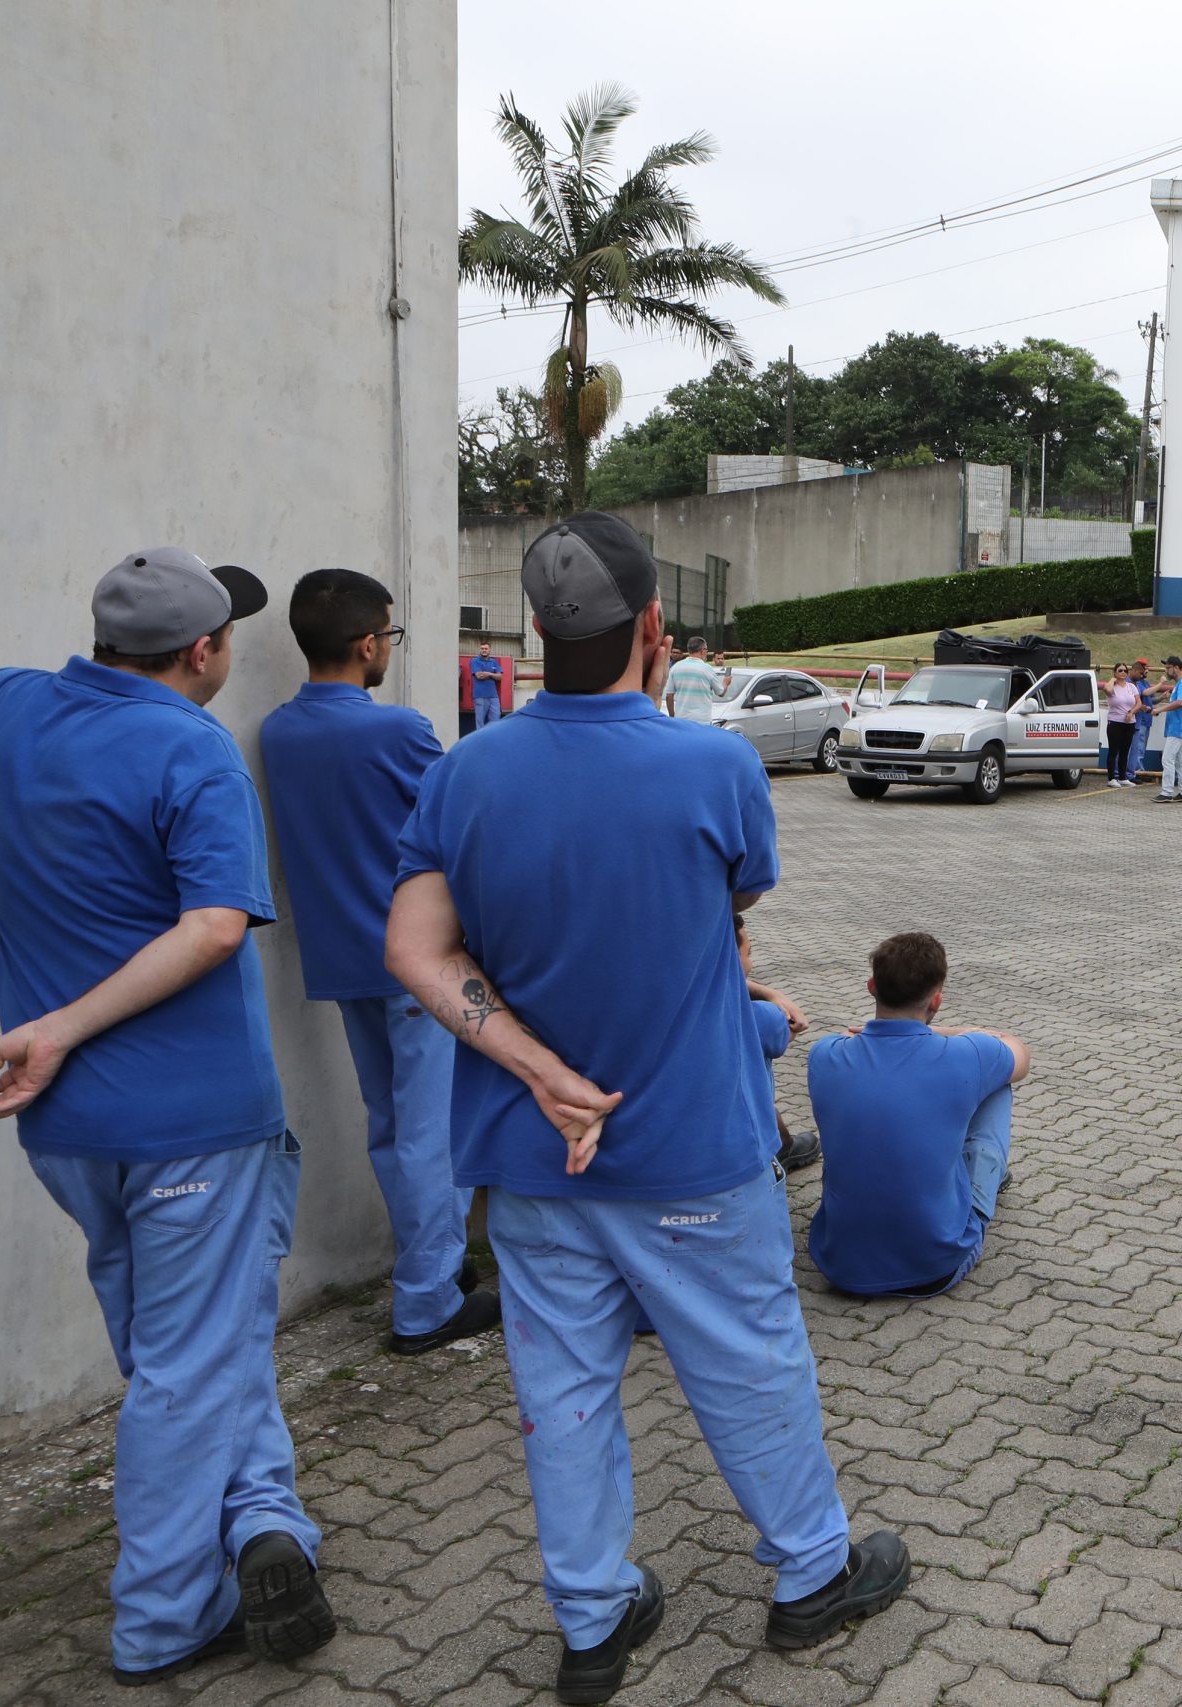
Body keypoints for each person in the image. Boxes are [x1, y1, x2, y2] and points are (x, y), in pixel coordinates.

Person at [385, 513, 909, 1701]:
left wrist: (530, 1060)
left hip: (532, 1156)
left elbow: (415, 951)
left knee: (562, 1395)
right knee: (749, 1366)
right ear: (653, 629)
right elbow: (737, 897)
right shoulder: (713, 766)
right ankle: (810, 1577)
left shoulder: (462, 773)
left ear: (530, 634)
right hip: (691, 1151)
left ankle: (591, 1621)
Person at [0, 558, 336, 1685]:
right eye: (229, 635)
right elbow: (210, 930)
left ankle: (261, 1527)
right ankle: (163, 1615)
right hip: (190, 1125)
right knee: (190, 1369)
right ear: (203, 654)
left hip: (70, 1136)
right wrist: (63, 1026)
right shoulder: (191, 750)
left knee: (183, 1348)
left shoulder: (6, 708)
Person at [260, 569, 495, 1357]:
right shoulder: (398, 730)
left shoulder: (278, 731)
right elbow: (460, 827)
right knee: (435, 1128)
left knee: (394, 1127)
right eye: (389, 637)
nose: (389, 650)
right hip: (418, 959)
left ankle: (435, 1266)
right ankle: (426, 1299)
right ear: (367, 645)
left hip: (341, 959)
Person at [807, 933, 1031, 1297]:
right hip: (936, 1267)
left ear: (871, 986)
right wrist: (952, 1031)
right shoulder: (971, 1054)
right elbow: (1018, 1050)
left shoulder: (825, 1054)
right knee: (999, 1084)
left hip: (840, 1266)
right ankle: (983, 1183)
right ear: (937, 1000)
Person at [1148, 655, 1182, 803]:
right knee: (1180, 761)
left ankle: (1167, 792)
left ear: (1176, 668)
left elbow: (1181, 702)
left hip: (1178, 729)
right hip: (1178, 728)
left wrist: (1160, 709)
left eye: (1168, 668)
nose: (1166, 670)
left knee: (1167, 759)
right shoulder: (1180, 684)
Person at [664, 635, 722, 723]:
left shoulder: (675, 668)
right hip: (702, 721)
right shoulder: (707, 668)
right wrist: (726, 682)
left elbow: (669, 696)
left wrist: (672, 716)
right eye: (706, 650)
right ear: (702, 651)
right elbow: (720, 692)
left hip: (681, 721)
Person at [1103, 662, 1141, 787]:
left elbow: (1138, 703)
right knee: (1114, 750)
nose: (1123, 672)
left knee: (1125, 750)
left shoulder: (1131, 687)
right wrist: (1113, 679)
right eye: (1120, 670)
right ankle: (1111, 778)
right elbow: (1106, 690)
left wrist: (1132, 712)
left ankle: (1123, 777)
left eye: (1125, 670)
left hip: (1129, 722)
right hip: (1115, 722)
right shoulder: (1112, 686)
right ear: (1115, 672)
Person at [469, 639, 509, 730]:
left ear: (489, 650)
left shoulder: (493, 662)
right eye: (482, 648)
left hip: (493, 696)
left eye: (486, 648)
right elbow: (479, 676)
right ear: (480, 650)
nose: (484, 650)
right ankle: (480, 741)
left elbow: (500, 677)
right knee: (480, 722)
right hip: (480, 696)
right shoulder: (475, 661)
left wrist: (489, 674)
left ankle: (493, 740)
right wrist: (493, 675)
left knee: (495, 721)